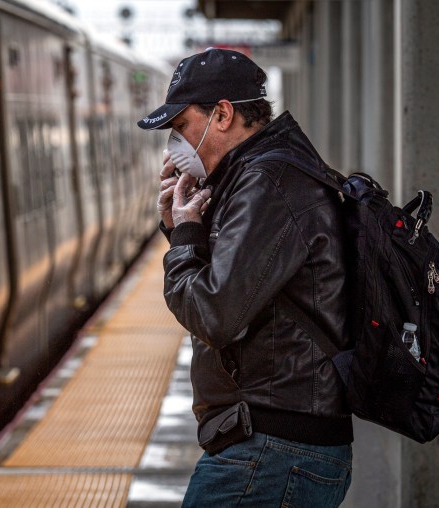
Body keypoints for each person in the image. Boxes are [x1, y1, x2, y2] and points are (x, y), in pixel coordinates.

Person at [136, 48, 353, 507]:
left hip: (274, 447)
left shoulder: (266, 183)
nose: (173, 147)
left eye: (180, 129)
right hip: (277, 441)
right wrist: (181, 228)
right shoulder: (260, 176)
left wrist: (186, 237)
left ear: (222, 114)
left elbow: (213, 315)